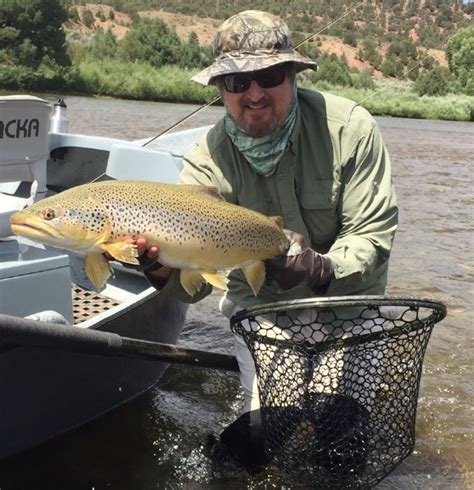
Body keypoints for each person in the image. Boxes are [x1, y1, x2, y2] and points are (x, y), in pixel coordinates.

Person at [133, 10, 398, 471]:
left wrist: (320, 267)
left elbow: (373, 234)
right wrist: (161, 271)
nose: (253, 93)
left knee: (341, 435)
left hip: (349, 307)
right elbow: (194, 288)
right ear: (221, 89)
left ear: (293, 75)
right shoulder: (204, 163)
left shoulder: (350, 128)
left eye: (269, 76)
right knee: (267, 431)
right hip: (265, 312)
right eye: (236, 81)